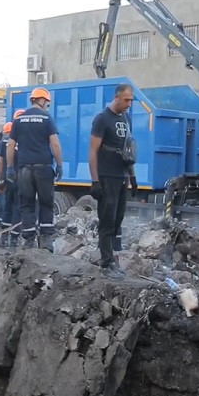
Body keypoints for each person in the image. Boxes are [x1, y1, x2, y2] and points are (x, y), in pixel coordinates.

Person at [88, 84, 137, 279]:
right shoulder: (102, 119)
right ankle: (106, 262)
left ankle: (113, 256)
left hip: (121, 176)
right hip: (106, 176)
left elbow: (128, 149)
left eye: (131, 100)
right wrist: (95, 181)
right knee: (107, 220)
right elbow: (92, 150)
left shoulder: (126, 118)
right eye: (126, 100)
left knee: (118, 218)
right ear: (116, 98)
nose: (129, 104)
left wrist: (132, 176)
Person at [6, 87, 63, 252]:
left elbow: (10, 145)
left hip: (23, 169)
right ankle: (46, 243)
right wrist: (59, 164)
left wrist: (10, 167)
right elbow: (55, 144)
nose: (47, 106)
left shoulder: (19, 120)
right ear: (43, 101)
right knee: (46, 203)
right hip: (43, 168)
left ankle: (29, 241)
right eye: (47, 103)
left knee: (26, 205)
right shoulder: (46, 118)